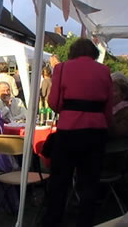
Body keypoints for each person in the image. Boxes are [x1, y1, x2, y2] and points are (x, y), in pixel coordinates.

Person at [43, 38, 113, 227]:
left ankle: (53, 221)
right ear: (93, 53)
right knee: (89, 182)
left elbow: (54, 103)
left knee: (59, 181)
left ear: (73, 52)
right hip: (96, 131)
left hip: (69, 130)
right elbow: (108, 107)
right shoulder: (104, 70)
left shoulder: (62, 68)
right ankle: (85, 221)